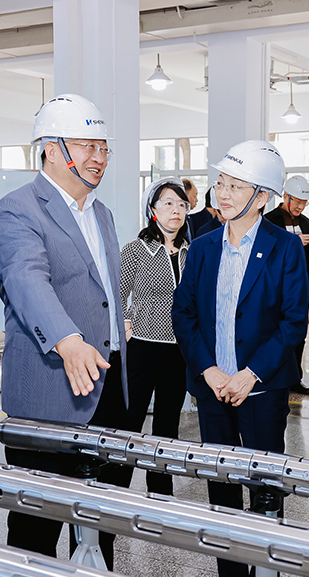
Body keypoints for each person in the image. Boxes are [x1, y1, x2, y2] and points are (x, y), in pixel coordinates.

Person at [0, 93, 132, 567]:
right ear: (52, 149)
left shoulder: (102, 214)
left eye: (104, 148)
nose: (99, 158)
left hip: (105, 388)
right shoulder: (17, 209)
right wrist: (69, 341)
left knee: (100, 521)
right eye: (88, 146)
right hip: (50, 392)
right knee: (36, 527)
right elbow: (26, 280)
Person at [172, 140, 308, 577]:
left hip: (261, 389)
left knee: (265, 486)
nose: (223, 194)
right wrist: (209, 370)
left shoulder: (285, 247)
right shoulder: (203, 247)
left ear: (262, 196)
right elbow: (184, 314)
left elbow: (293, 322)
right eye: (221, 184)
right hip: (213, 389)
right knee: (221, 485)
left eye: (236, 186)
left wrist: (251, 374)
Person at [120, 177, 190, 495]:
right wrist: (126, 324)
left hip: (178, 351)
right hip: (143, 347)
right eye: (169, 203)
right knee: (130, 421)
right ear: (153, 210)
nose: (177, 210)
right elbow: (117, 293)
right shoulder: (136, 250)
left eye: (182, 204)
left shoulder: (191, 251)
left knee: (167, 426)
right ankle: (115, 487)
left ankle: (161, 493)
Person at [264, 174, 309, 395]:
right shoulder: (269, 221)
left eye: (304, 203)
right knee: (275, 332)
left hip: (301, 286)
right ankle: (272, 375)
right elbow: (267, 252)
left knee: (298, 333)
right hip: (275, 287)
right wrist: (295, 241)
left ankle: (295, 378)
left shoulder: (306, 222)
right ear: (286, 197)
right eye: (297, 201)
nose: (300, 207)